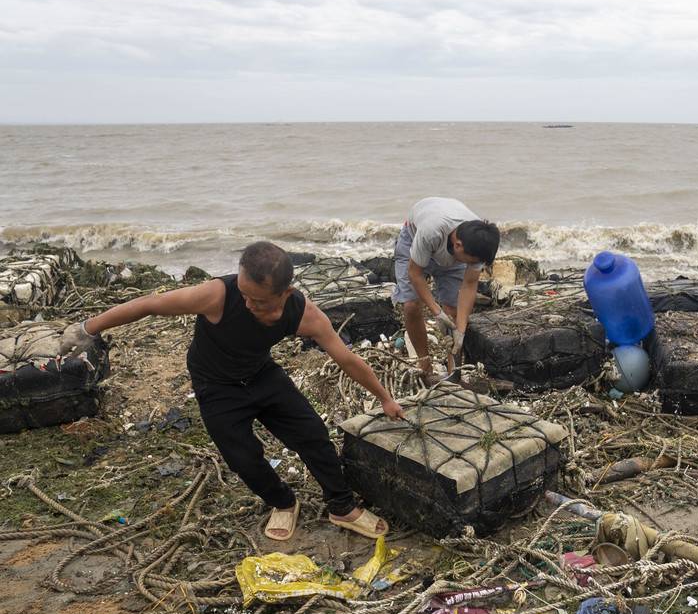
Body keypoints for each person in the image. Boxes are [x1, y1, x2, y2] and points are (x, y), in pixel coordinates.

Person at [60, 241, 404, 542]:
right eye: (243, 294)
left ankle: (341, 506)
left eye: (258, 299)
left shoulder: (305, 314)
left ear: (285, 292)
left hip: (261, 374)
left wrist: (385, 398)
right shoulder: (216, 295)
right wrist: (87, 328)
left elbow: (347, 358)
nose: (248, 303)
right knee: (242, 456)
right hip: (216, 385)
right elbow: (151, 304)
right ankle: (283, 502)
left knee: (313, 434)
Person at [391, 197, 500, 383]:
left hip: (452, 247)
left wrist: (461, 330)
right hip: (414, 238)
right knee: (411, 305)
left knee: (453, 311)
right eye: (471, 262)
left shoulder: (479, 244)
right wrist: (436, 312)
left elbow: (469, 285)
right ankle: (424, 364)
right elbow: (415, 274)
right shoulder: (431, 231)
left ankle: (453, 372)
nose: (473, 266)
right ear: (458, 246)